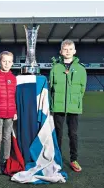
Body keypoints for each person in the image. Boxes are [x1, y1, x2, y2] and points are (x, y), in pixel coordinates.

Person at [49, 39, 87, 172]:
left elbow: (82, 88)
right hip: (58, 107)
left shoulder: (81, 69)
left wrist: (74, 101)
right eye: (65, 49)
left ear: (75, 51)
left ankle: (73, 159)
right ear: (61, 51)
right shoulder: (55, 68)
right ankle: (56, 159)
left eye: (70, 49)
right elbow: (51, 86)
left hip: (73, 107)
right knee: (58, 133)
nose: (68, 51)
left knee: (73, 134)